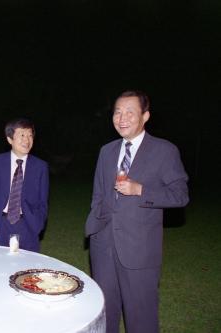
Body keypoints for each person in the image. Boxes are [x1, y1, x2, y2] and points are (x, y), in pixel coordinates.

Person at [85, 90, 189, 333]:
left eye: (130, 112)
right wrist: (95, 225)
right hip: (103, 246)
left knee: (141, 317)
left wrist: (141, 189)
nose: (122, 118)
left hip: (140, 249)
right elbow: (98, 193)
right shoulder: (107, 151)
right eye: (118, 112)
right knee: (104, 314)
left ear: (145, 116)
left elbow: (180, 195)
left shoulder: (164, 151)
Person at [0, 118, 49, 252]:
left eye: (30, 135)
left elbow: (43, 202)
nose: (27, 140)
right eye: (22, 135)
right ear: (10, 139)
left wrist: (37, 225)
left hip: (28, 224)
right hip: (1, 224)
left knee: (27, 269)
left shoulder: (40, 167)